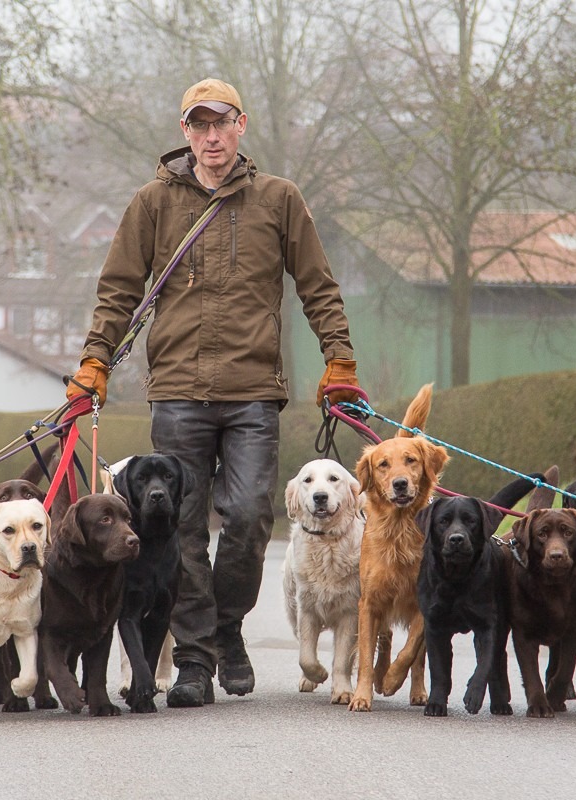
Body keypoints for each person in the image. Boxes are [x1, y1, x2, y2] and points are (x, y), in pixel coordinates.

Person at [65, 78, 362, 708]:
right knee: (179, 525)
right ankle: (196, 658)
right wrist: (94, 360)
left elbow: (318, 286)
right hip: (176, 389)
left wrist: (339, 358)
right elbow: (118, 288)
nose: (211, 135)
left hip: (255, 390)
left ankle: (228, 628)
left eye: (221, 123)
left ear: (241, 125)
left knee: (252, 514)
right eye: (199, 125)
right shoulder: (152, 204)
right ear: (185, 134)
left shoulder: (279, 199)